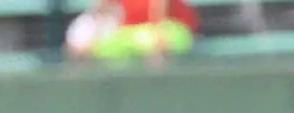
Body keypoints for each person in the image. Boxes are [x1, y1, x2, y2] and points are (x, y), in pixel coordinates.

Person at [65, 0, 198, 62]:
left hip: (171, 28)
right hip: (131, 32)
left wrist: (158, 35)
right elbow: (101, 8)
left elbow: (159, 9)